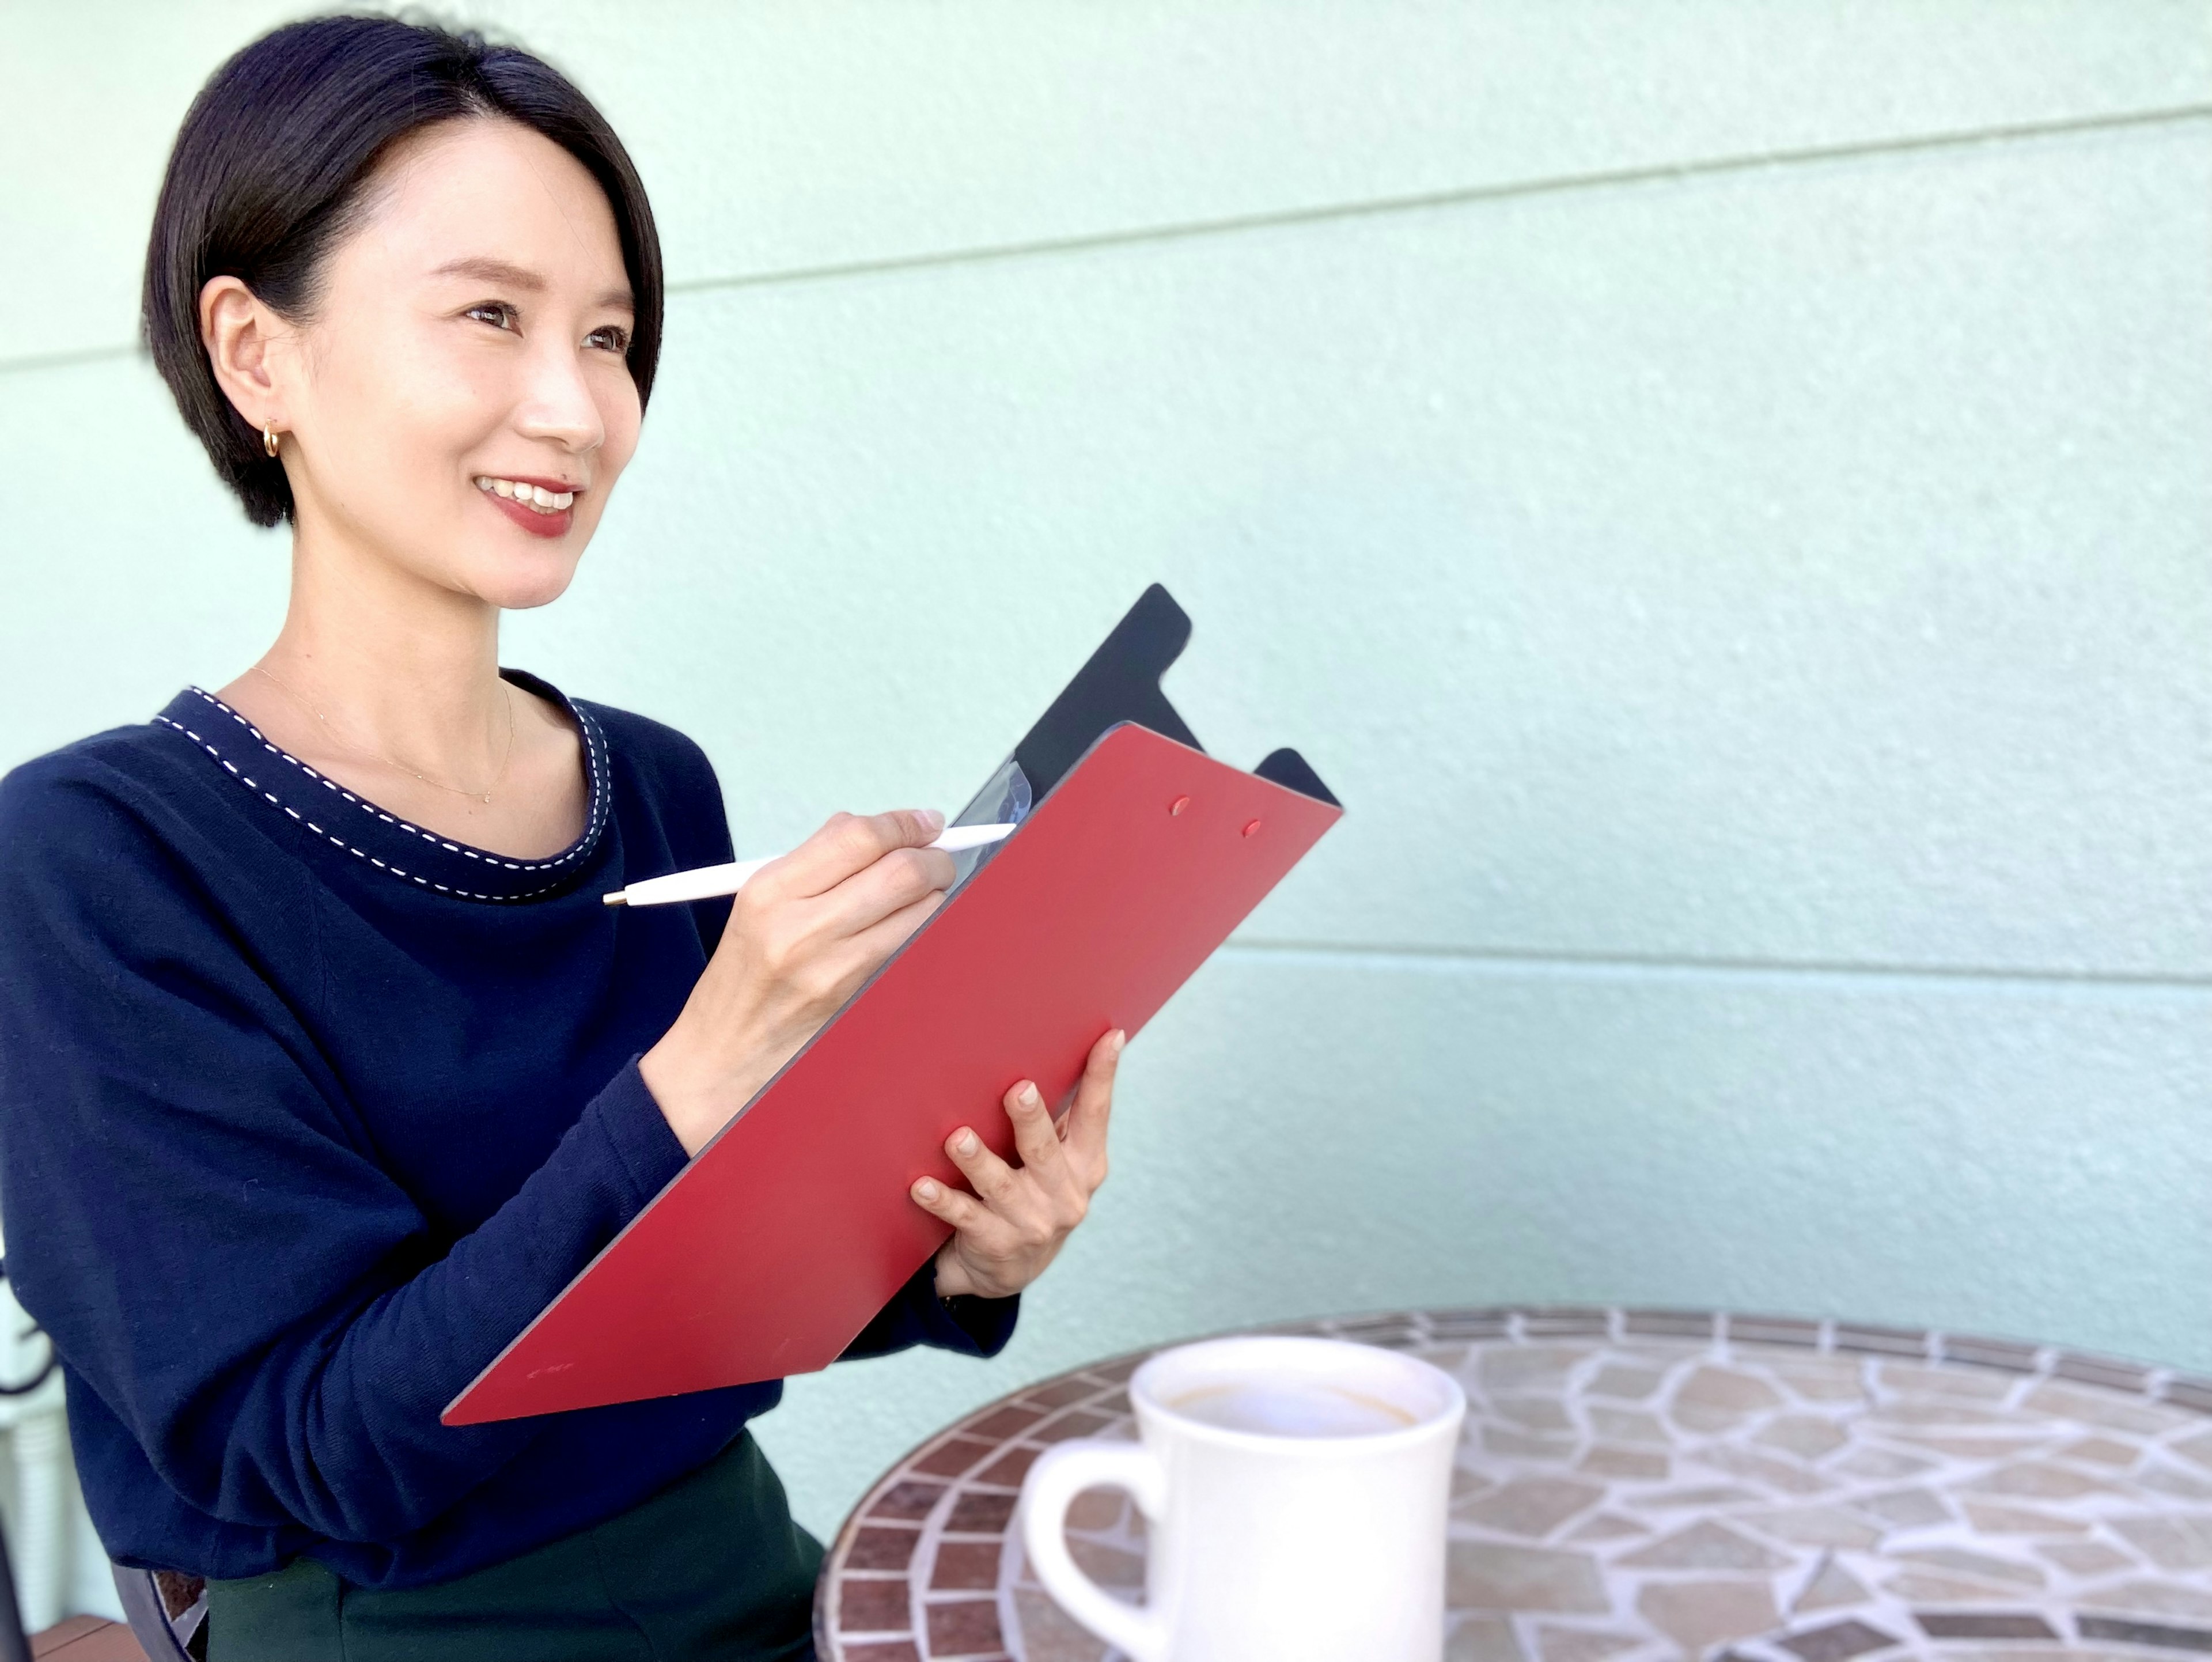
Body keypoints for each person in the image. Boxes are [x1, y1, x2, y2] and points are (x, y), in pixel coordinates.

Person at [0, 16, 1117, 1659]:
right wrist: (697, 1076)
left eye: (609, 336)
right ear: (256, 354)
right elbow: (304, 1451)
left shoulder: (652, 787)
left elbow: (706, 1290)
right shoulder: (97, 861)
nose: (578, 408)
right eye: (489, 316)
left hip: (748, 1579)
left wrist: (958, 1249)